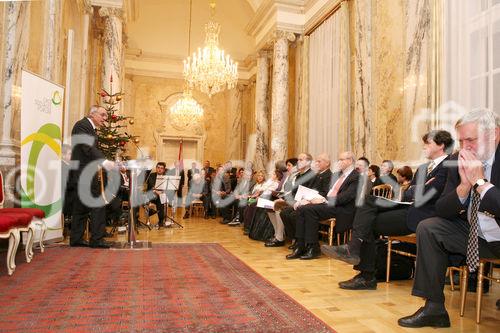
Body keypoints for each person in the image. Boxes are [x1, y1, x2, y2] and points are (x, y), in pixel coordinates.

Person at [398, 110, 499, 328]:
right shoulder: (456, 160)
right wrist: (463, 187)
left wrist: (480, 183)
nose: (465, 147)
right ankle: (433, 308)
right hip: (475, 236)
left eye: (471, 140)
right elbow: (443, 209)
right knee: (430, 227)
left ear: (494, 135)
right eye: (461, 141)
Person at [322, 130, 453, 290]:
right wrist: (419, 189)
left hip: (425, 215)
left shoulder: (449, 166)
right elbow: (408, 193)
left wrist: (418, 190)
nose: (424, 147)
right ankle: (358, 259)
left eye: (428, 143)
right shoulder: (423, 168)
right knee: (368, 202)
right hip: (409, 207)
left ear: (441, 145)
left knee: (368, 223)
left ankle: (364, 270)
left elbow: (432, 193)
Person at [286, 151, 360, 260]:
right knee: (303, 208)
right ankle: (300, 245)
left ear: (350, 161)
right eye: (339, 159)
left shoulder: (356, 176)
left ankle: (313, 247)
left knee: (309, 210)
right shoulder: (338, 174)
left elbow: (347, 197)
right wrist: (314, 199)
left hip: (342, 208)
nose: (339, 162)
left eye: (342, 159)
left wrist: (324, 200)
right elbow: (328, 191)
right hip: (329, 204)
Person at [68, 105, 115, 248]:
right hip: (84, 172)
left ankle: (76, 239)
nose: (105, 119)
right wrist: (104, 161)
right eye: (103, 115)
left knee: (81, 207)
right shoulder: (82, 125)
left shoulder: (90, 128)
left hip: (84, 172)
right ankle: (97, 239)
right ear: (92, 114)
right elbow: (87, 148)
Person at [146, 162, 168, 228]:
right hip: (151, 195)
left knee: (160, 198)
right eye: (158, 168)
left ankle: (161, 221)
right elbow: (151, 185)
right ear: (156, 168)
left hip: (161, 195)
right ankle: (161, 219)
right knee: (160, 198)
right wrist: (156, 191)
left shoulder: (166, 177)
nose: (159, 169)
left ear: (164, 170)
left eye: (161, 168)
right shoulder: (151, 175)